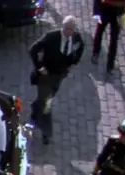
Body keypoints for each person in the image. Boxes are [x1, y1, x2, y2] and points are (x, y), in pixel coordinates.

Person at [28, 16, 84, 145]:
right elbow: (33, 49)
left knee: (46, 98)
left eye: (71, 29)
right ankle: (46, 132)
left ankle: (35, 110)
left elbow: (81, 46)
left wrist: (73, 63)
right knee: (47, 102)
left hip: (59, 75)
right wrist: (40, 67)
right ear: (62, 26)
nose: (68, 32)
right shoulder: (51, 37)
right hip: (45, 76)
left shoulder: (76, 37)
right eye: (66, 28)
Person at [91, 0, 125, 73]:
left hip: (119, 11)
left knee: (114, 39)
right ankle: (95, 53)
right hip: (106, 8)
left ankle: (110, 64)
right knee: (100, 31)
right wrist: (96, 11)